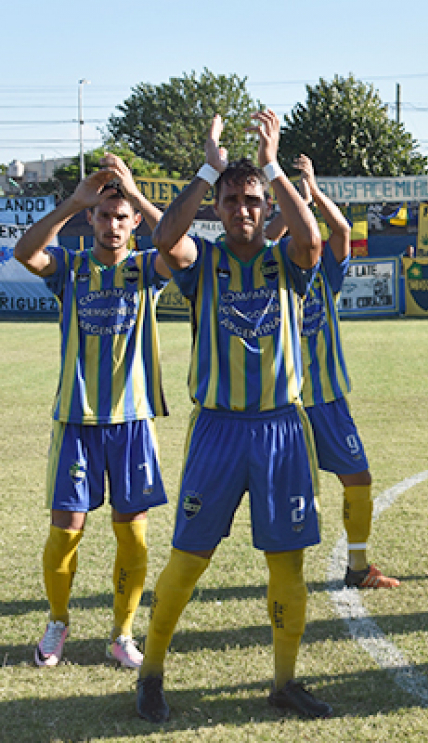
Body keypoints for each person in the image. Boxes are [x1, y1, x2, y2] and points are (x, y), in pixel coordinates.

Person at [136, 111, 331, 722]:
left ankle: (284, 681)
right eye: (231, 201)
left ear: (264, 203)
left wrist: (273, 167)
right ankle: (150, 673)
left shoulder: (284, 263)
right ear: (216, 208)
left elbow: (314, 239)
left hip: (281, 430)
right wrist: (209, 168)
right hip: (218, 430)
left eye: (252, 201)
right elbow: (165, 240)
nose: (243, 210)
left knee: (287, 563)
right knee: (189, 558)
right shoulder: (203, 263)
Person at [14, 155, 170, 670]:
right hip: (77, 422)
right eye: (103, 215)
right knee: (67, 529)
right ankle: (57, 622)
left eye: (121, 216)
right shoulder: (72, 268)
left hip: (131, 422)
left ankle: (122, 634)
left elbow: (176, 247)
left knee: (133, 531)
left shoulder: (146, 267)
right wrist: (74, 202)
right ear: (92, 220)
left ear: (134, 223)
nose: (112, 224)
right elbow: (25, 252)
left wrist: (136, 194)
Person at [265, 154, 399, 590]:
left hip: (328, 400)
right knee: (295, 495)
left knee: (358, 476)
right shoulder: (269, 271)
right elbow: (269, 240)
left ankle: (358, 567)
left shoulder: (327, 275)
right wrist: (293, 205)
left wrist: (314, 192)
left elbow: (340, 232)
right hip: (286, 403)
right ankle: (288, 573)